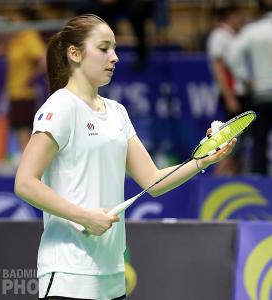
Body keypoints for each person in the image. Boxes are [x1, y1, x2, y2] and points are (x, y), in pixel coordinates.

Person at [14, 14, 235, 300]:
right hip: (69, 272)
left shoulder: (117, 112)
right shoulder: (60, 107)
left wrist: (201, 160)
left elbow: (153, 181)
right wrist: (84, 217)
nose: (115, 57)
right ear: (75, 53)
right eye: (104, 48)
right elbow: (25, 182)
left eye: (115, 48)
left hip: (113, 275)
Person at [229, 1, 272, 175]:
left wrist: (246, 79)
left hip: (261, 93)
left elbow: (232, 56)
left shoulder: (251, 31)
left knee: (259, 142)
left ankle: (260, 185)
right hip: (262, 94)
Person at [206, 4, 248, 175]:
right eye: (239, 15)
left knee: (239, 146)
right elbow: (219, 67)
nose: (242, 19)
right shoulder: (220, 36)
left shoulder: (234, 36)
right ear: (231, 15)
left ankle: (235, 180)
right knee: (229, 144)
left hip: (240, 94)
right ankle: (214, 183)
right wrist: (229, 97)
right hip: (231, 96)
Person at [6, 7, 46, 159]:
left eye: (15, 18)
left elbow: (43, 60)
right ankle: (24, 156)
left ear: (23, 19)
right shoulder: (14, 39)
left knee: (25, 124)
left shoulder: (29, 36)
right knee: (17, 124)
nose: (13, 21)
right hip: (14, 90)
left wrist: (31, 79)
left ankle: (28, 158)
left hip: (25, 91)